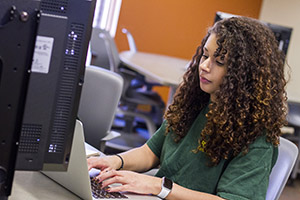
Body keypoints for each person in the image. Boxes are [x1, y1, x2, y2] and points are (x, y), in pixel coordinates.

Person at [87, 16, 287, 200]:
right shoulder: (196, 103)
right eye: (205, 55)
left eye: (219, 62)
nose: (204, 66)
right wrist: (114, 162)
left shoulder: (257, 138)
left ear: (244, 75)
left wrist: (160, 187)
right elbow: (151, 152)